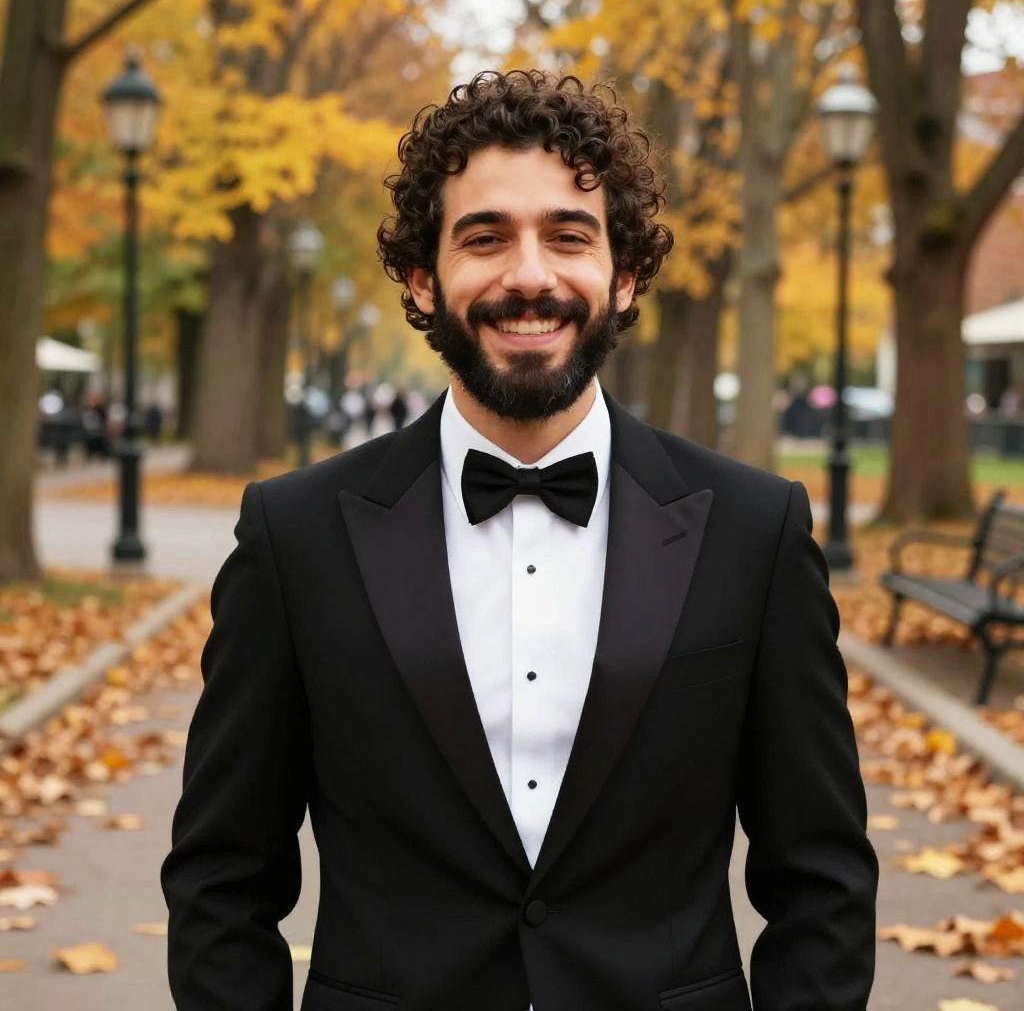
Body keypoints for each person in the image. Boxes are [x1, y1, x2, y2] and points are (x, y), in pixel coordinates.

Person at [162, 70, 877, 1011]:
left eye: (568, 235)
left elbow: (821, 882)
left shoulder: (756, 530)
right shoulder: (294, 536)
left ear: (624, 278)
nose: (530, 274)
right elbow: (222, 884)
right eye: (485, 237)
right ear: (425, 277)